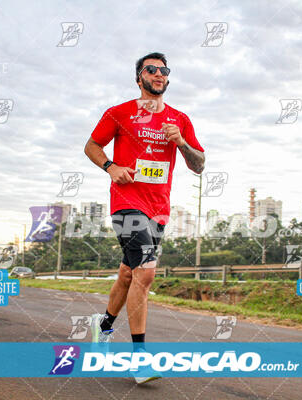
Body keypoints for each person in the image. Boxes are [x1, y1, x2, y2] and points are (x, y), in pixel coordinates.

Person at [84, 52, 205, 384]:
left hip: (159, 209)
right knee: (147, 274)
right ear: (139, 77)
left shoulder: (180, 119)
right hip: (126, 203)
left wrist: (180, 143)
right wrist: (111, 167)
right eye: (150, 69)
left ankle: (103, 325)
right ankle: (140, 361)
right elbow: (92, 145)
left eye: (163, 70)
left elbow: (199, 164)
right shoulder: (119, 112)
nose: (158, 74)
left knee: (128, 274)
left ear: (168, 78)